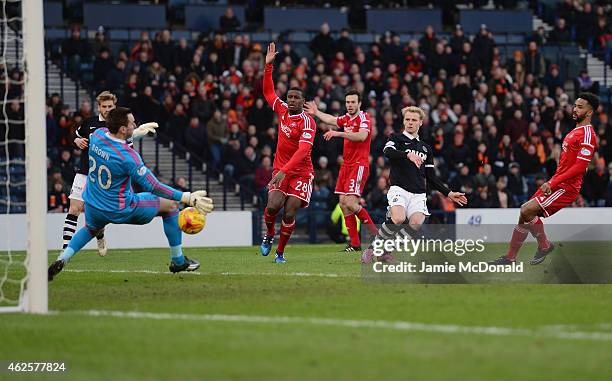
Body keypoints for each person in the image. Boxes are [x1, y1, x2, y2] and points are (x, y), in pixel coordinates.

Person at [48, 107, 214, 281]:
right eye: (132, 123)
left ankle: (62, 258)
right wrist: (187, 197)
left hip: (93, 204)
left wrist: (134, 134)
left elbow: (108, 137)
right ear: (122, 129)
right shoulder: (129, 157)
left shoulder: (96, 136)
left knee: (90, 228)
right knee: (171, 206)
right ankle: (178, 260)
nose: (135, 124)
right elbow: (154, 186)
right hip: (121, 207)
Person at [490, 93, 599, 265]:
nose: (575, 109)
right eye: (575, 105)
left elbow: (579, 167)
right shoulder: (575, 131)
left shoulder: (587, 134)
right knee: (523, 215)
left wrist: (553, 182)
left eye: (580, 107)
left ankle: (544, 245)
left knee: (526, 210)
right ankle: (511, 257)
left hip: (566, 187)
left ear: (590, 112)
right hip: (557, 181)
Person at [361, 106, 468, 263]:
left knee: (415, 224)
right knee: (397, 218)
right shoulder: (396, 138)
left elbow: (431, 177)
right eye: (407, 119)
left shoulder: (426, 148)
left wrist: (448, 193)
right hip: (399, 188)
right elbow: (387, 152)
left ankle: (385, 251)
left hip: (418, 193)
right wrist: (407, 154)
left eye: (413, 120)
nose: (410, 123)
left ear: (420, 123)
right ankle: (372, 249)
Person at [260, 42, 316, 263]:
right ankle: (270, 235)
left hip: (301, 172)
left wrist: (284, 171)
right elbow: (267, 92)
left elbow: (303, 151)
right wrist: (268, 67)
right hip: (280, 169)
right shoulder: (282, 110)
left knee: (290, 211)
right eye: (289, 96)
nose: (291, 100)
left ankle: (280, 253)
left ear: (303, 102)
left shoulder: (308, 122)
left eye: (296, 98)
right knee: (273, 205)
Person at [305, 89, 378, 252]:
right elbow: (332, 119)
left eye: (353, 102)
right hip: (346, 166)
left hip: (359, 165)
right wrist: (316, 112)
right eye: (348, 102)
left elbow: (362, 136)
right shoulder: (346, 118)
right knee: (343, 204)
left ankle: (376, 236)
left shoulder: (364, 117)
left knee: (351, 203)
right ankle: (355, 243)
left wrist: (339, 133)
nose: (350, 105)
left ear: (359, 103)